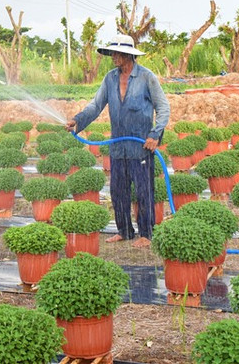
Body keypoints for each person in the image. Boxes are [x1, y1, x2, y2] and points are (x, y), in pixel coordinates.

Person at [65, 34, 170, 248]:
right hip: (118, 147)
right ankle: (124, 230)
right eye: (111, 52)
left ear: (128, 55)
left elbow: (163, 107)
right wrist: (77, 120)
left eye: (116, 52)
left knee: (143, 191)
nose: (113, 56)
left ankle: (146, 234)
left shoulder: (146, 77)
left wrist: (155, 134)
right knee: (118, 190)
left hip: (140, 147)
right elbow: (96, 106)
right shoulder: (110, 78)